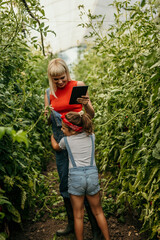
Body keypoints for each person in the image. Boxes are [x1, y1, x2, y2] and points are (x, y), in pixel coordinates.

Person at [44, 58, 102, 239]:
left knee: (84, 177)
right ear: (50, 79)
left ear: (67, 73)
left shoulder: (78, 85)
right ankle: (72, 222)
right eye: (56, 79)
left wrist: (85, 104)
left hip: (79, 138)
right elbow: (48, 121)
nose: (60, 82)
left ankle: (95, 228)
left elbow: (90, 115)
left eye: (62, 77)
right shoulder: (48, 93)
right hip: (62, 139)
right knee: (65, 181)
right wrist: (47, 114)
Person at [51, 111, 110, 240]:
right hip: (92, 176)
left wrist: (52, 136)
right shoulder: (92, 136)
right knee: (98, 211)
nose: (61, 130)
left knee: (78, 215)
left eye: (64, 128)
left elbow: (56, 147)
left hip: (76, 178)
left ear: (72, 130)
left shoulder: (66, 141)